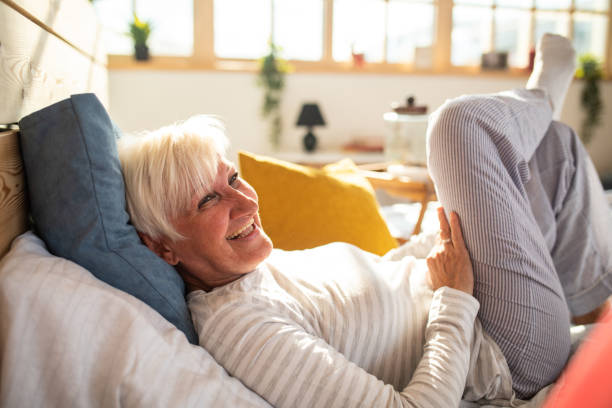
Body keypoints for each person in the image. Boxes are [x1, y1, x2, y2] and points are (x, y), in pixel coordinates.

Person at [117, 34, 612, 407]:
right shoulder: (239, 328)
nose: (245, 204)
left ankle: (586, 298)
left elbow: (381, 288)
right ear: (163, 247)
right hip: (501, 347)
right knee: (457, 129)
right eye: (208, 201)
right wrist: (454, 298)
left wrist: (429, 245)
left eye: (233, 179)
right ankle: (543, 94)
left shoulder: (251, 274)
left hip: (477, 296)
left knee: (549, 151)